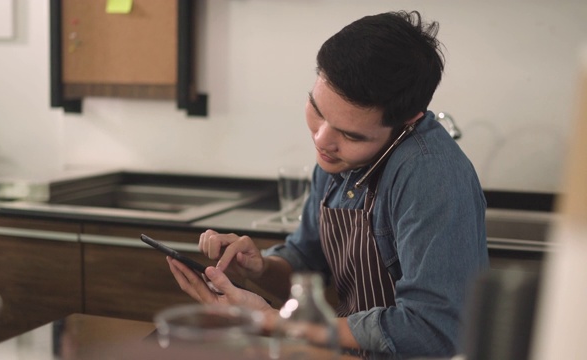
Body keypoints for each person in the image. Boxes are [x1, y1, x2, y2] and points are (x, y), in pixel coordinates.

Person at [166, 10, 488, 358]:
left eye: (350, 134)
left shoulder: (430, 176)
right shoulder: (338, 156)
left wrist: (273, 321)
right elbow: (308, 264)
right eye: (317, 110)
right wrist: (260, 268)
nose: (322, 140)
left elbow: (433, 331)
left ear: (407, 122)